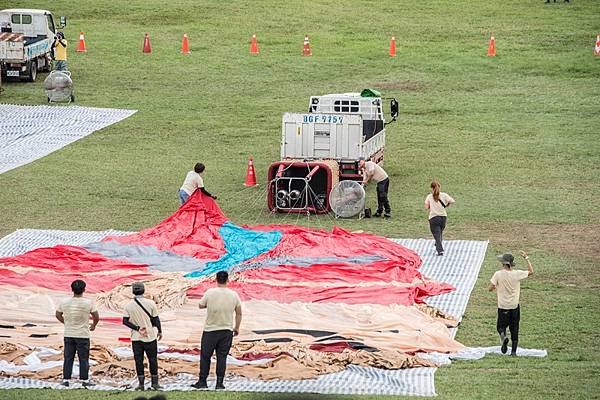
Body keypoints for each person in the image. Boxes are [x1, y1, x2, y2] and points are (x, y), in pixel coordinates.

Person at [192, 271, 242, 390]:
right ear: (227, 280)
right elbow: (239, 313)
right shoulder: (234, 295)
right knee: (222, 357)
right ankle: (219, 383)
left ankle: (202, 381)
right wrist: (236, 327)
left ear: (216, 279)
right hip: (226, 330)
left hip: (210, 330)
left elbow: (200, 305)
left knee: (205, 357)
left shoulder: (210, 292)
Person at [488, 251, 534, 356]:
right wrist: (526, 257)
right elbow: (531, 271)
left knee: (500, 327)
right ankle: (513, 352)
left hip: (503, 306)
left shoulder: (498, 274)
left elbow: (490, 288)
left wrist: (494, 287)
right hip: (514, 306)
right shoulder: (517, 274)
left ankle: (503, 337)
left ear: (503, 264)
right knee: (515, 328)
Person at [55, 279, 99, 387]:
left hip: (69, 334)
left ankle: (66, 379)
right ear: (84, 289)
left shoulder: (64, 302)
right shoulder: (88, 303)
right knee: (83, 358)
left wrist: (66, 323)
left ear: (72, 290)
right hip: (83, 334)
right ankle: (84, 380)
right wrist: (93, 325)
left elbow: (58, 315)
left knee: (68, 357)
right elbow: (96, 316)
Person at [123, 282, 163, 391]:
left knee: (138, 361)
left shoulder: (128, 305)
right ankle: (155, 383)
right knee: (153, 360)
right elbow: (156, 319)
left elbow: (125, 321)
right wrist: (159, 331)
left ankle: (141, 384)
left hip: (136, 338)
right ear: (144, 291)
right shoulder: (151, 303)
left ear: (133, 292)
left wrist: (137, 328)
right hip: (150, 336)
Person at [424, 181, 455, 256]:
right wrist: (447, 205)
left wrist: (431, 206)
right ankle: (438, 243)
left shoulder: (429, 197)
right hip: (443, 218)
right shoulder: (444, 195)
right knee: (439, 232)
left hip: (433, 218)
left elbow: (426, 207)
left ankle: (440, 250)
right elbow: (452, 201)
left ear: (432, 188)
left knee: (437, 234)